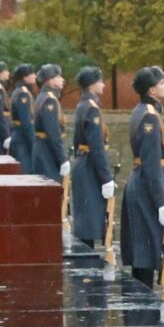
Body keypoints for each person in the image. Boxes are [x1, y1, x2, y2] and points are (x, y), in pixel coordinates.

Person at [120, 66, 164, 288]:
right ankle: (144, 306)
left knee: (144, 248)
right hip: (147, 186)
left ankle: (142, 299)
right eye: (163, 83)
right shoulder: (150, 118)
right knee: (147, 249)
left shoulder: (142, 110)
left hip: (142, 183)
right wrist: (162, 201)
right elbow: (152, 165)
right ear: (152, 90)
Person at [68, 66, 115, 249]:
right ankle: (86, 259)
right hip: (88, 166)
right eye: (100, 81)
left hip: (82, 162)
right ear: (92, 84)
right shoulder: (92, 109)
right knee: (89, 218)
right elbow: (96, 147)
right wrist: (106, 178)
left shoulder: (83, 105)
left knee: (86, 216)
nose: (103, 85)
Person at [32, 64, 69, 183]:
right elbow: (53, 133)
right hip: (47, 152)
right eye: (59, 76)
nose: (62, 79)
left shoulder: (43, 96)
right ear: (50, 80)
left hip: (42, 149)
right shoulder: (49, 100)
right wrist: (62, 159)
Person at [8, 64, 36, 173]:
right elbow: (26, 122)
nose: (34, 76)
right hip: (22, 140)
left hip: (18, 136)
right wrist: (32, 143)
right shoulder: (23, 93)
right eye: (32, 74)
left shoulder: (19, 90)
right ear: (25, 77)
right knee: (25, 172)